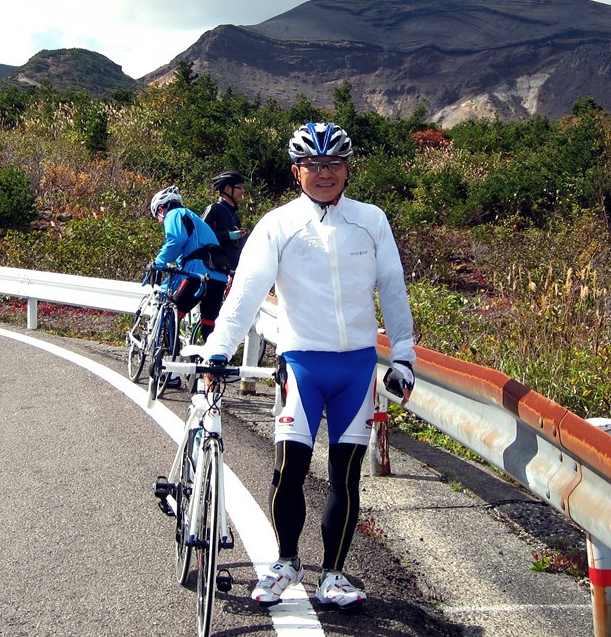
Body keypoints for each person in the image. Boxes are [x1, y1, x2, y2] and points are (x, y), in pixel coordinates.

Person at [195, 122, 417, 612]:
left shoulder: (371, 220)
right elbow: (247, 292)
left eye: (333, 164)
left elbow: (393, 290)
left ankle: (333, 575)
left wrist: (403, 355)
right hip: (301, 364)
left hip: (357, 367)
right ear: (296, 171)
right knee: (289, 469)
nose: (324, 174)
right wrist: (218, 348)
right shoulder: (277, 224)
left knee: (345, 476)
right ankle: (287, 562)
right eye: (313, 165)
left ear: (347, 169)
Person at [148, 187, 229, 365]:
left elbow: (176, 241)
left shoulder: (174, 214)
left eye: (158, 218)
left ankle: (173, 370)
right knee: (210, 324)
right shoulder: (193, 220)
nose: (161, 222)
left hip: (197, 275)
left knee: (172, 314)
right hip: (218, 277)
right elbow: (184, 258)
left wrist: (157, 264)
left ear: (161, 209)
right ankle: (210, 371)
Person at [195, 171, 247, 342]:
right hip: (211, 271)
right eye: (239, 187)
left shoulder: (234, 215)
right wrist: (228, 235)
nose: (242, 191)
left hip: (227, 272)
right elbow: (201, 239)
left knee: (219, 317)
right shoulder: (214, 209)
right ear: (227, 189)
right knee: (210, 317)